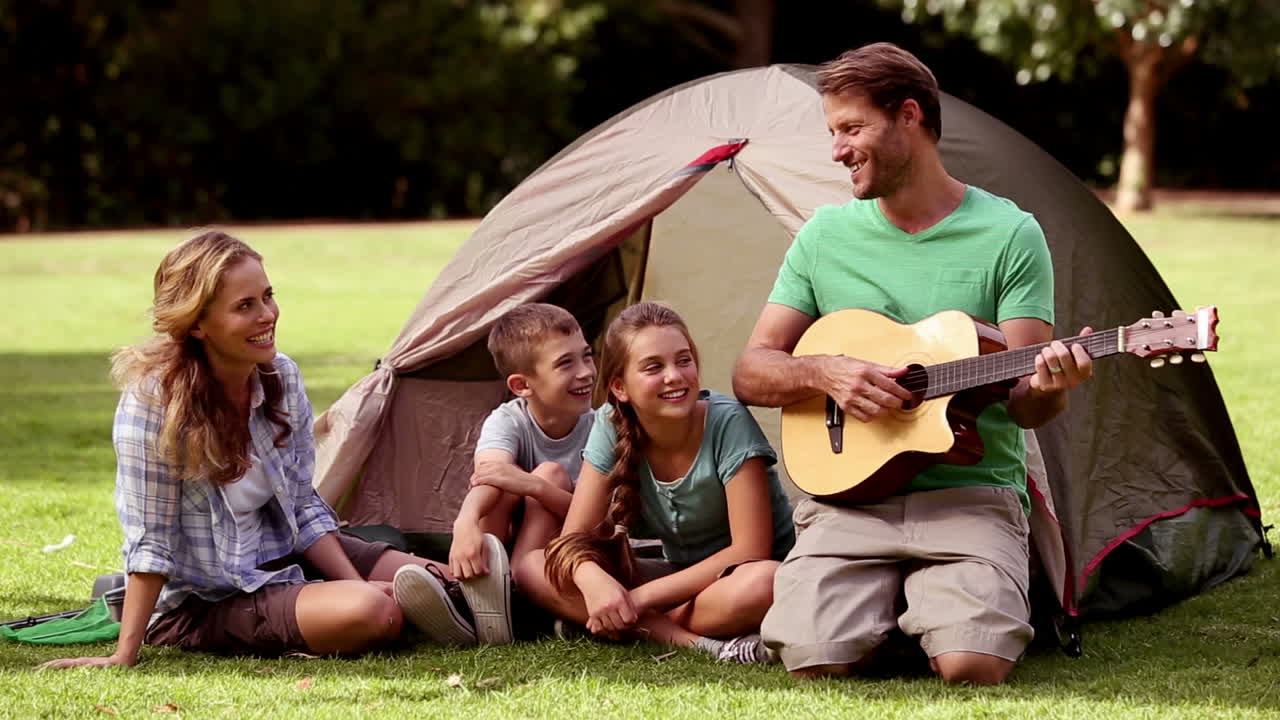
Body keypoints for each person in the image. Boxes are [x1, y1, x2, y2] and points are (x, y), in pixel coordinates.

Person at [732, 43, 1094, 685]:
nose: (837, 149)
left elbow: (1024, 400)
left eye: (851, 128)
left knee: (972, 666)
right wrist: (826, 373)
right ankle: (892, 606)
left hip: (969, 495)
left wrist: (1053, 389)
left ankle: (929, 608)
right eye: (832, 132)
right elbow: (751, 371)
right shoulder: (824, 236)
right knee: (815, 661)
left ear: (908, 117)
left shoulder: (1011, 234)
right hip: (849, 501)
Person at [38, 230, 493, 668]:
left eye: (268, 296)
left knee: (458, 580)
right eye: (244, 306)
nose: (267, 315)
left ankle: (461, 610)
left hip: (285, 555)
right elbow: (150, 541)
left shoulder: (280, 377)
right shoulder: (153, 404)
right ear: (197, 323)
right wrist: (124, 654)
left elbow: (301, 507)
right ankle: (419, 614)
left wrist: (356, 581)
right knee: (373, 613)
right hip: (210, 599)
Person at [515, 301, 796, 663]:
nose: (675, 376)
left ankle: (612, 622)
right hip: (679, 582)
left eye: (684, 360)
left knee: (767, 582)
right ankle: (698, 644)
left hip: (736, 581)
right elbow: (572, 541)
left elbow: (749, 551)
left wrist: (635, 601)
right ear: (619, 387)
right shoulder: (609, 425)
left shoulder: (728, 423)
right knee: (531, 566)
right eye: (653, 367)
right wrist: (592, 582)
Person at [447, 303, 597, 643]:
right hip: (509, 542)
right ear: (521, 385)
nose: (586, 371)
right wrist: (465, 521)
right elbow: (490, 474)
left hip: (566, 555)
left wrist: (537, 487)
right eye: (566, 363)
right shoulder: (507, 420)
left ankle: (513, 596)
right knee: (503, 482)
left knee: (551, 476)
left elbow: (594, 519)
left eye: (586, 356)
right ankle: (487, 590)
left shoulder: (601, 428)